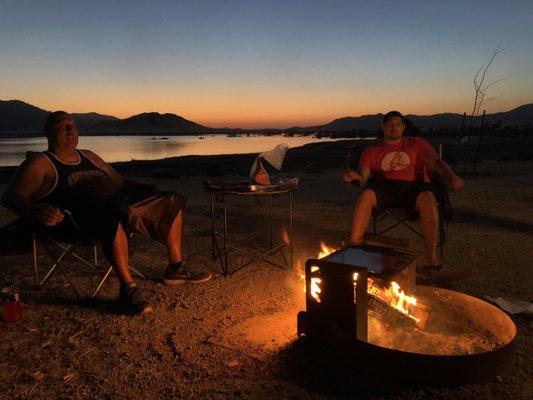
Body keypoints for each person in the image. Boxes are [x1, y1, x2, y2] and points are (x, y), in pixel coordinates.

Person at [1, 111, 212, 315]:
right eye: (62, 126)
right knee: (112, 213)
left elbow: (120, 182)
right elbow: (11, 197)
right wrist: (38, 210)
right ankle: (128, 290)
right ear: (47, 132)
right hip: (79, 220)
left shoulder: (89, 156)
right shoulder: (42, 163)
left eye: (73, 126)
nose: (70, 130)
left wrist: (146, 189)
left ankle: (176, 269)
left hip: (119, 205)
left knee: (170, 200)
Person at [342, 111, 464, 272]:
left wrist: (451, 176)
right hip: (386, 187)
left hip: (415, 186)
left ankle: (431, 260)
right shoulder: (371, 151)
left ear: (404, 127)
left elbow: (435, 162)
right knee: (366, 194)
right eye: (390, 124)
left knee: (428, 197)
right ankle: (355, 248)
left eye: (398, 124)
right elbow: (364, 178)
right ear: (383, 127)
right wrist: (353, 176)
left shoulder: (416, 143)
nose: (394, 127)